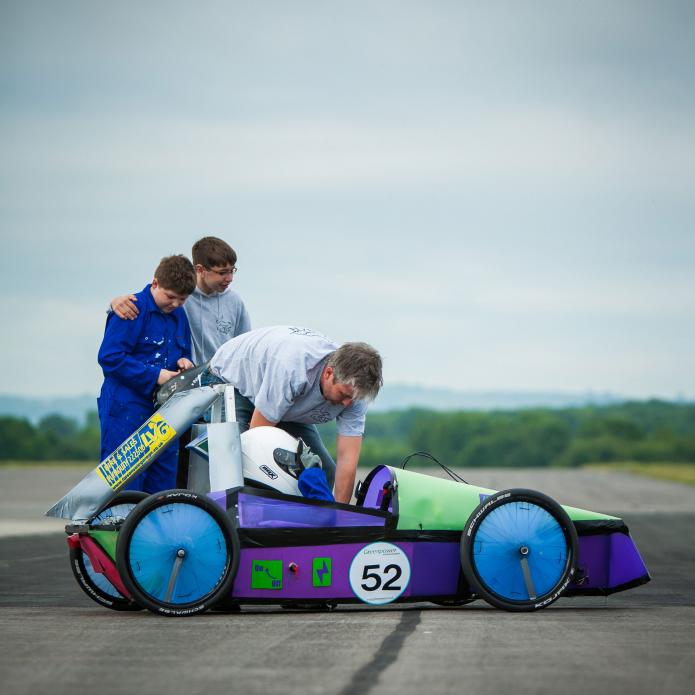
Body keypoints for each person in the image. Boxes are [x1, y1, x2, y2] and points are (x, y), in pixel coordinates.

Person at [209, 326, 383, 504]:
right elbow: (258, 440)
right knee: (238, 463)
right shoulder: (293, 368)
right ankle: (235, 523)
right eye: (343, 395)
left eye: (352, 399)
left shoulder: (356, 392)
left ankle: (310, 527)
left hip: (286, 403)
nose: (347, 404)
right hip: (233, 382)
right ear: (329, 373)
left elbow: (347, 460)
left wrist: (340, 516)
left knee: (324, 472)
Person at [98, 255, 196, 493]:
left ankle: (157, 530)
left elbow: (183, 351)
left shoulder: (179, 315)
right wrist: (156, 375)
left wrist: (185, 362)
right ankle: (123, 529)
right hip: (126, 408)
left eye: (181, 300)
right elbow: (109, 357)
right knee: (126, 482)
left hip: (164, 411)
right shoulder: (131, 308)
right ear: (154, 284)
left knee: (162, 483)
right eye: (170, 296)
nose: (174, 304)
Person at [110, 236, 250, 364]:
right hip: (187, 383)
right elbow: (151, 296)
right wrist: (115, 302)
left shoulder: (235, 301)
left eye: (232, 270)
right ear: (200, 270)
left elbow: (244, 346)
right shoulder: (179, 297)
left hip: (223, 383)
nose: (230, 278)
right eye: (222, 272)